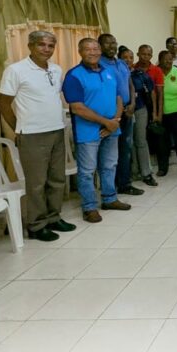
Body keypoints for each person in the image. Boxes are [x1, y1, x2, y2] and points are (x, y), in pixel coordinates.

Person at [0, 30, 74, 241]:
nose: (46, 49)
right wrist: (19, 128)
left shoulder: (56, 69)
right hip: (32, 135)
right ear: (30, 46)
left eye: (51, 45)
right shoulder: (16, 70)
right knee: (37, 182)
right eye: (41, 44)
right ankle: (36, 225)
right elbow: (3, 104)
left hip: (56, 130)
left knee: (56, 179)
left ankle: (53, 217)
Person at [62, 38, 130, 223]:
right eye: (88, 49)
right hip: (88, 131)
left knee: (109, 165)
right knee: (87, 171)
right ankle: (89, 207)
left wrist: (115, 121)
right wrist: (105, 122)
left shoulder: (109, 71)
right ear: (80, 52)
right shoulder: (74, 75)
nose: (93, 52)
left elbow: (118, 97)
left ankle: (109, 199)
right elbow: (77, 108)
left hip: (112, 127)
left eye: (95, 49)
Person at [98, 34, 143, 197]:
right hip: (110, 114)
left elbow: (130, 84)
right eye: (107, 43)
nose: (111, 46)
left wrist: (132, 103)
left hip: (127, 111)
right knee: (109, 152)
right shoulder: (98, 65)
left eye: (114, 43)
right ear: (100, 46)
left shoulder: (122, 63)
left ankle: (125, 184)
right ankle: (109, 187)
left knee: (126, 149)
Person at [129, 45, 159, 187]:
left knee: (141, 140)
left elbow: (152, 93)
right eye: (124, 58)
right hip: (123, 112)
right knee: (129, 143)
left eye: (130, 58)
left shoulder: (140, 74)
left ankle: (146, 173)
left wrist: (154, 112)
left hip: (140, 109)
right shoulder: (118, 73)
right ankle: (134, 171)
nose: (128, 60)